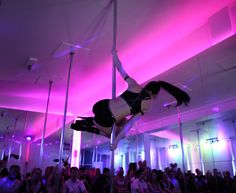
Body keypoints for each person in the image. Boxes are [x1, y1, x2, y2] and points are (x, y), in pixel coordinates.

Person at [71, 51, 190, 149]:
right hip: (105, 119)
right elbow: (129, 125)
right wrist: (116, 141)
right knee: (119, 131)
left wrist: (114, 55)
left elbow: (120, 69)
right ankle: (89, 125)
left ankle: (91, 121)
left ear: (148, 86)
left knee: (120, 119)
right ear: (154, 94)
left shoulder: (135, 85)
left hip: (100, 105)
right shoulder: (147, 106)